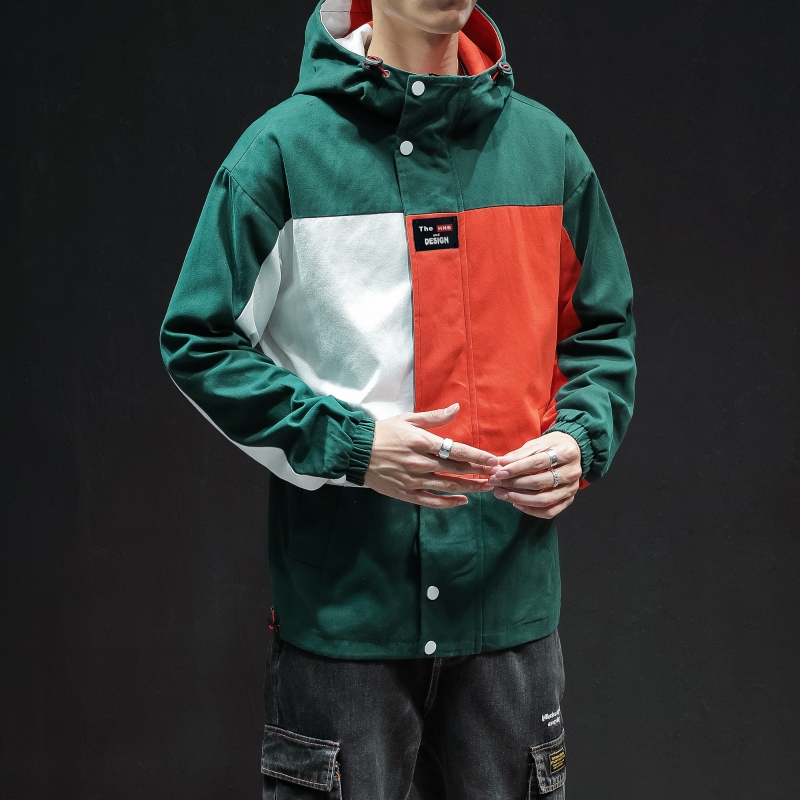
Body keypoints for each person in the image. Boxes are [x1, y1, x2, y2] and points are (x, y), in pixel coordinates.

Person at [160, 0, 636, 796]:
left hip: (507, 616)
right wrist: (352, 445)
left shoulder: (546, 152)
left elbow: (600, 332)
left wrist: (579, 440)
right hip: (347, 621)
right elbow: (199, 339)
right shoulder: (283, 154)